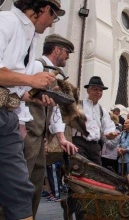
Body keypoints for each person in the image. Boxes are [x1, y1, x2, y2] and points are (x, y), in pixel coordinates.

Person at [0, 0, 64, 220]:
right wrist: (33, 81)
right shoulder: (5, 21)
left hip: (7, 118)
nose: (50, 25)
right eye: (54, 17)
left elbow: (12, 88)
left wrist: (33, 99)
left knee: (20, 192)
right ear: (45, 9)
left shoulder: (30, 37)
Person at [24, 34, 78, 215]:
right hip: (28, 133)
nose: (68, 56)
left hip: (40, 137)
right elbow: (18, 94)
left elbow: (54, 111)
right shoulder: (37, 66)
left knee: (35, 184)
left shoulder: (52, 73)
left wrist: (61, 138)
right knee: (19, 184)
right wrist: (21, 128)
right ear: (57, 50)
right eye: (67, 52)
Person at [72, 76, 117, 165]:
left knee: (97, 173)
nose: (98, 92)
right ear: (88, 91)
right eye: (95, 89)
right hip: (79, 143)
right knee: (80, 171)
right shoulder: (78, 105)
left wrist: (110, 134)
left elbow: (108, 126)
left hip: (95, 146)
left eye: (100, 90)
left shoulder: (102, 110)